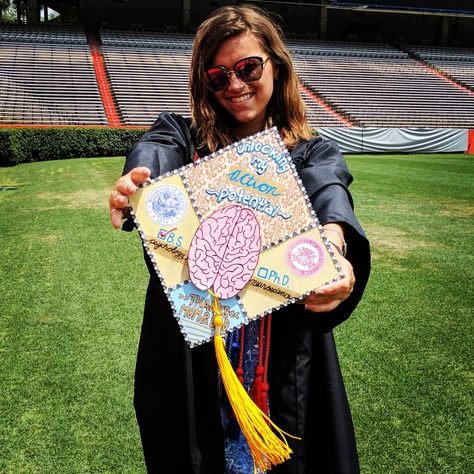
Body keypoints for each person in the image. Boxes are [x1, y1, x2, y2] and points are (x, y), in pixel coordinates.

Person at [109, 5, 370, 474]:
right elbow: (155, 150)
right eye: (217, 75)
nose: (235, 85)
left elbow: (329, 193)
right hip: (193, 349)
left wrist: (335, 247)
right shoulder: (184, 139)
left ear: (276, 65)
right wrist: (137, 178)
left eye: (248, 67)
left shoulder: (309, 152)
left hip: (277, 348)